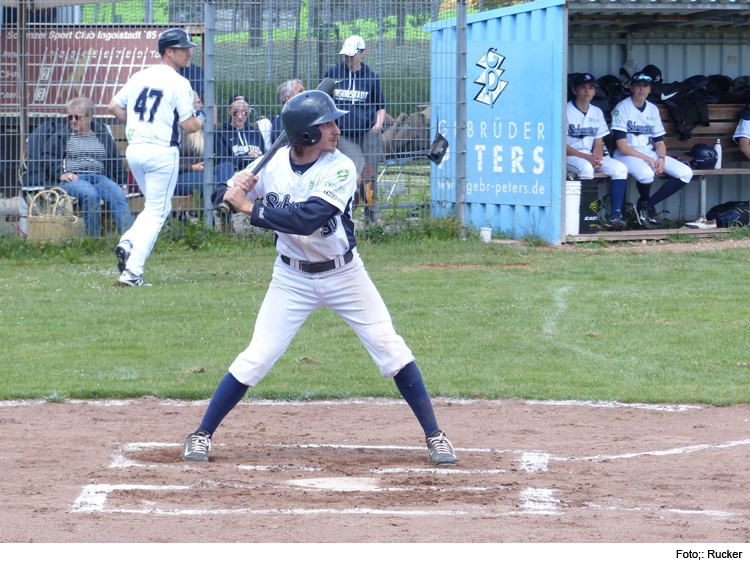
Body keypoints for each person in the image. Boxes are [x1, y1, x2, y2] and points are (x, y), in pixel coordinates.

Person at [181, 90, 457, 467]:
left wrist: (248, 206)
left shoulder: (341, 166)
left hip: (344, 274)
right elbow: (219, 195)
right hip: (291, 278)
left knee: (390, 348)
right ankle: (201, 434)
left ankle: (435, 435)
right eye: (326, 124)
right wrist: (232, 189)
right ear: (305, 135)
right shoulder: (272, 163)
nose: (335, 129)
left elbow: (306, 219)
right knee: (257, 357)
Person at [108, 28, 205, 287]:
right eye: (183, 49)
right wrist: (202, 114)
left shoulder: (141, 75)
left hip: (136, 149)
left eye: (189, 47)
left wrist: (136, 125)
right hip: (161, 151)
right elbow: (190, 126)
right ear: (168, 51)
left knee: (154, 207)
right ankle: (132, 272)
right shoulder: (179, 82)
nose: (190, 52)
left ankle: (128, 242)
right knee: (159, 211)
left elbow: (113, 106)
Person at [23, 96, 133, 236]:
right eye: (70, 117)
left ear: (89, 117)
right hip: (75, 179)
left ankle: (130, 239)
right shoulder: (62, 135)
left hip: (99, 177)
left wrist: (122, 183)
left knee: (117, 195)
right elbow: (48, 156)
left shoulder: (101, 134)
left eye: (77, 117)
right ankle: (93, 239)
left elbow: (115, 159)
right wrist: (60, 174)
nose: (73, 121)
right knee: (90, 194)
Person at [611, 70, 693, 229]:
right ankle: (645, 206)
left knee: (685, 173)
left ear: (650, 89)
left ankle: (647, 204)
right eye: (638, 86)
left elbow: (660, 142)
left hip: (649, 153)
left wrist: (661, 158)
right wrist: (649, 159)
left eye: (645, 86)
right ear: (631, 88)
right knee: (647, 174)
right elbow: (622, 146)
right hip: (626, 154)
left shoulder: (652, 109)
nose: (642, 89)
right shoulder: (622, 108)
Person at [324, 35, 385, 222]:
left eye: (352, 55)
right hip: (344, 135)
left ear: (363, 54)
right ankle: (347, 214)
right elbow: (324, 100)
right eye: (346, 56)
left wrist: (377, 126)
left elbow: (380, 105)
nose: (348, 59)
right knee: (356, 174)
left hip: (368, 133)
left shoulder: (372, 78)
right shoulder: (333, 74)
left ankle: (372, 217)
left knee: (370, 176)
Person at [565, 73, 629, 231]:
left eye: (591, 88)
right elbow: (561, 145)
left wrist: (597, 157)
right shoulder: (565, 110)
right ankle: (585, 219)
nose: (587, 91)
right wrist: (587, 158)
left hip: (590, 155)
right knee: (586, 168)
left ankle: (615, 216)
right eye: (583, 87)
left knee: (620, 169)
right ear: (574, 90)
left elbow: (599, 141)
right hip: (569, 157)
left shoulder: (596, 112)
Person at [175, 92, 235, 198]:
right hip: (181, 176)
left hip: (204, 172)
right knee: (221, 183)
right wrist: (192, 167)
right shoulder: (175, 129)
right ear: (189, 104)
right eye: (198, 102)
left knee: (227, 166)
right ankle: (225, 199)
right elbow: (168, 164)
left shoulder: (202, 127)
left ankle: (223, 196)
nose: (201, 105)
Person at [216, 94, 266, 173]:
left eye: (244, 112)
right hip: (234, 175)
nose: (240, 116)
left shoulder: (255, 132)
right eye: (235, 111)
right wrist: (246, 156)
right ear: (229, 111)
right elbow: (222, 161)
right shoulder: (221, 133)